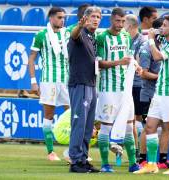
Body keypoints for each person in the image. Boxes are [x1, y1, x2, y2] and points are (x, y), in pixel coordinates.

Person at [134, 15, 169, 175]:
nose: (161, 27)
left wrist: (150, 38)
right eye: (161, 25)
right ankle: (151, 164)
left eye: (164, 25)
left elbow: (157, 56)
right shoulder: (166, 42)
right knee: (149, 127)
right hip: (159, 93)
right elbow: (156, 37)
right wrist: (154, 33)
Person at [96, 7, 140, 173]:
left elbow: (129, 59)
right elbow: (99, 63)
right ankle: (105, 164)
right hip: (108, 91)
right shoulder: (102, 38)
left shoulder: (126, 36)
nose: (121, 24)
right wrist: (118, 62)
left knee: (129, 126)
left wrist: (137, 67)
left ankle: (133, 164)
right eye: (118, 21)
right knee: (106, 127)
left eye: (123, 21)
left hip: (125, 90)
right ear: (111, 20)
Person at [28, 7, 69, 161]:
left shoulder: (67, 33)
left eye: (63, 17)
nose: (62, 20)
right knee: (49, 115)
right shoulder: (41, 35)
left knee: (73, 115)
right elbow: (31, 58)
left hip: (66, 80)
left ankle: (73, 152)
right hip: (48, 81)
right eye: (59, 17)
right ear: (51, 18)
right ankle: (51, 152)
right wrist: (33, 81)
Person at [67, 6, 101, 173]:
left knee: (88, 127)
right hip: (79, 84)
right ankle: (75, 161)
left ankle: (83, 159)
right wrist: (79, 26)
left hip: (91, 84)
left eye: (98, 17)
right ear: (85, 18)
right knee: (79, 124)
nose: (96, 19)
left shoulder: (92, 38)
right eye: (93, 16)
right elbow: (73, 36)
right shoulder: (79, 34)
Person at [137, 17, 169, 169]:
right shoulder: (146, 48)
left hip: (165, 93)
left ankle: (163, 160)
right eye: (164, 27)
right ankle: (142, 159)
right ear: (157, 30)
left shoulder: (166, 47)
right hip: (149, 94)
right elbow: (143, 73)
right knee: (148, 128)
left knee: (167, 127)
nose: (167, 30)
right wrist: (163, 76)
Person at [124, 14, 146, 162]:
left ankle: (139, 152)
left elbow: (139, 63)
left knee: (136, 118)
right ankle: (136, 151)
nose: (121, 26)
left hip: (138, 84)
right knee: (130, 119)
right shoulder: (125, 39)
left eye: (123, 23)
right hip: (127, 84)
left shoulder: (141, 41)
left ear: (130, 26)